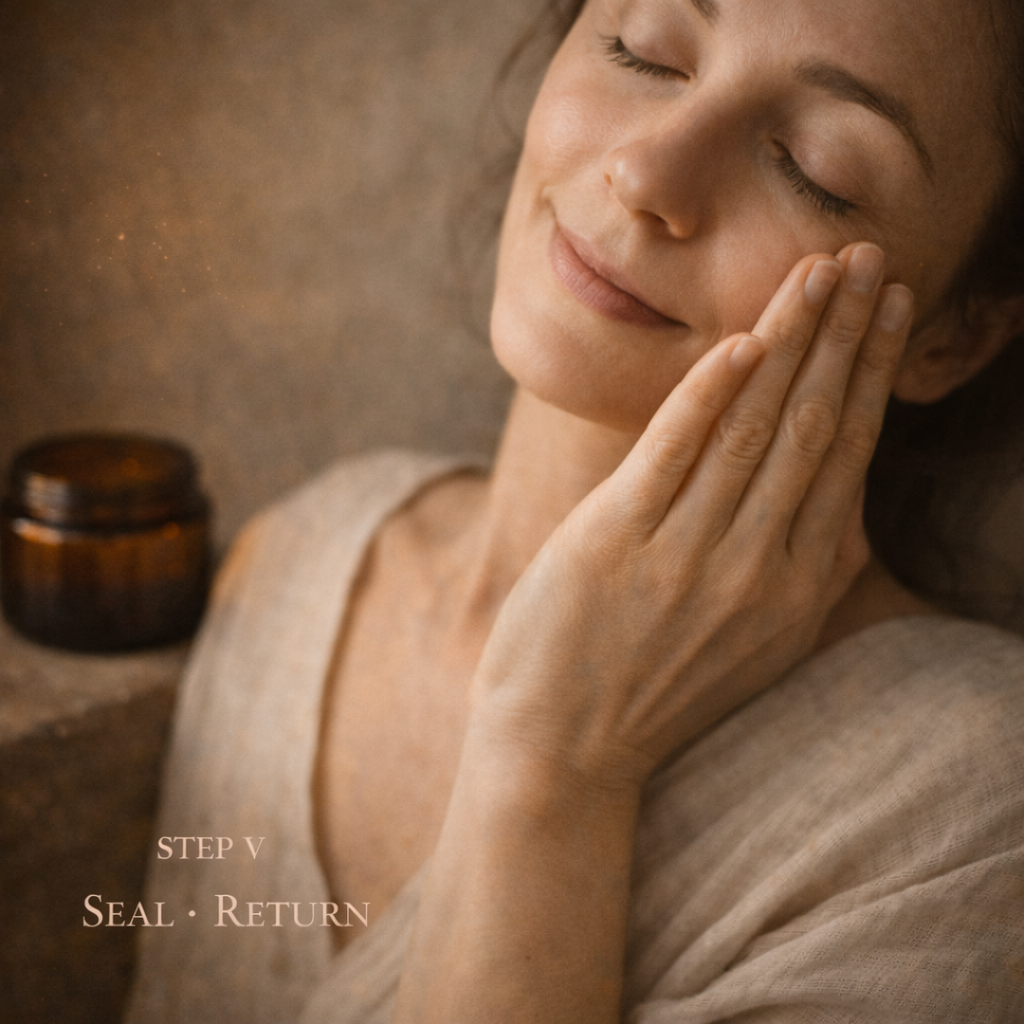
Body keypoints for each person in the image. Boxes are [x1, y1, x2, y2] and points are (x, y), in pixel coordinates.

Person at [127, 0, 1024, 1021]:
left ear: (953, 336)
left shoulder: (978, 815)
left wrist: (556, 762)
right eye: (639, 50)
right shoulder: (305, 554)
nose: (645, 176)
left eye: (815, 168)